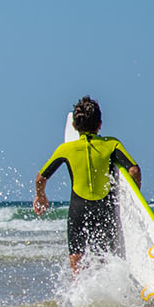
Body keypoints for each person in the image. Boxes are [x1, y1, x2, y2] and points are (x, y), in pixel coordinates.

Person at [33, 96, 141, 273]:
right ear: (100, 124)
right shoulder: (111, 144)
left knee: (77, 262)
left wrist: (41, 196)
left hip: (78, 209)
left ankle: (79, 289)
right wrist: (133, 199)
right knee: (107, 259)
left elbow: (40, 179)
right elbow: (134, 170)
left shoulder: (65, 149)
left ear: (74, 126)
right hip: (105, 208)